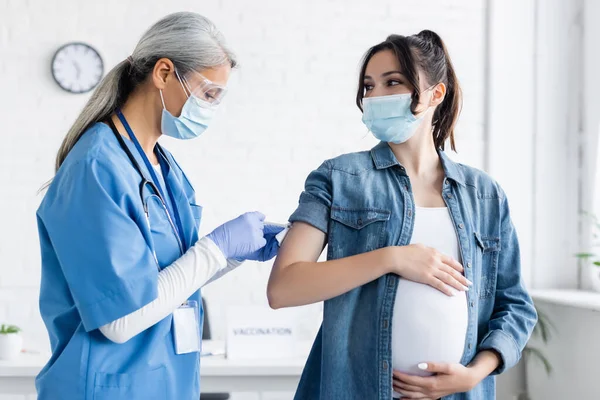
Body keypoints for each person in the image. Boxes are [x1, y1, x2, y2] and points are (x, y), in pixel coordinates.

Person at [267, 30, 537, 399]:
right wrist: (393, 258)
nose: (376, 96)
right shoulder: (338, 178)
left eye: (393, 82)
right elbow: (284, 287)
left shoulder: (485, 195)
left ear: (435, 94)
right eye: (369, 86)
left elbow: (516, 306)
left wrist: (473, 374)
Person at [36, 12, 283, 400]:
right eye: (208, 93)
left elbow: (165, 283)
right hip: (108, 387)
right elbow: (118, 318)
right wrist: (215, 248)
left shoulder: (161, 166)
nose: (212, 108)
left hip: (162, 383)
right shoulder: (96, 167)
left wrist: (231, 256)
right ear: (164, 73)